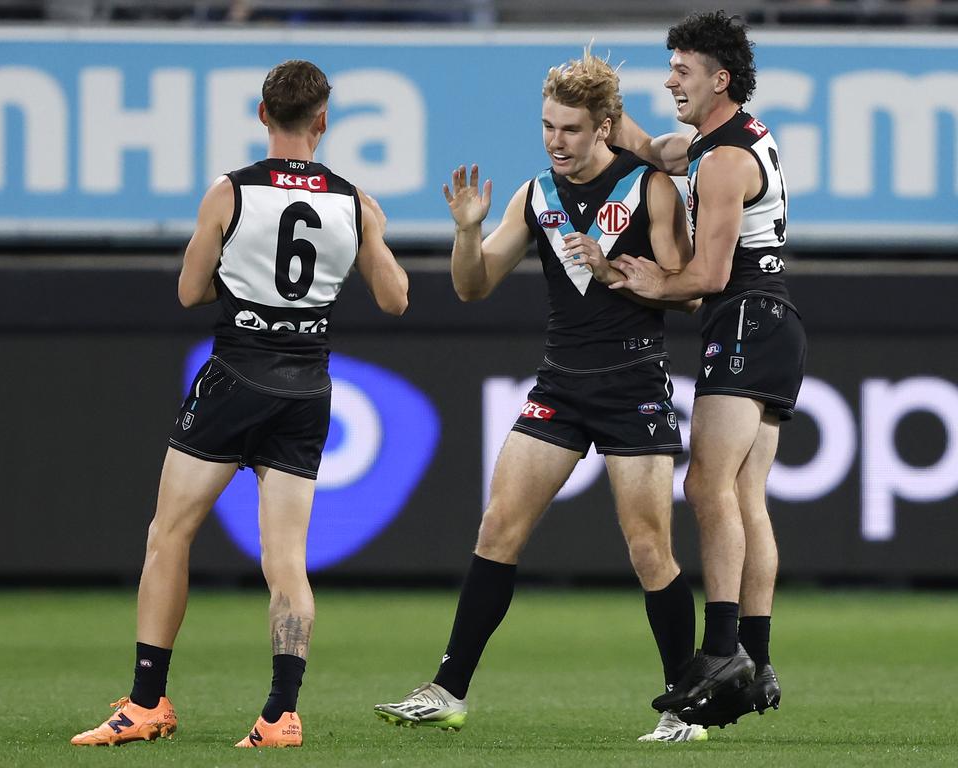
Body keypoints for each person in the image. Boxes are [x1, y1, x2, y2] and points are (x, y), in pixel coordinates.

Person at [70, 60, 409, 749]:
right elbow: (397, 298)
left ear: (262, 115)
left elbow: (190, 292)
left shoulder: (230, 192)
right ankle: (281, 714)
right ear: (323, 122)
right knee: (287, 560)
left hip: (236, 377)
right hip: (308, 387)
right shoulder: (355, 201)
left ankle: (145, 704)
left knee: (169, 535)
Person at [375, 48, 706, 743]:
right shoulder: (536, 195)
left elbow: (687, 289)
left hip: (633, 383)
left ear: (606, 127)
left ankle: (684, 707)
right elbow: (472, 286)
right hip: (561, 383)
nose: (556, 140)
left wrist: (615, 272)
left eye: (571, 130)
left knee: (649, 548)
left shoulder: (650, 190)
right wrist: (466, 232)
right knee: (498, 528)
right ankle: (447, 690)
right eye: (549, 126)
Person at [600, 11, 806, 727]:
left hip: (747, 317)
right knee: (747, 494)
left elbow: (710, 273)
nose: (670, 80)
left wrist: (657, 282)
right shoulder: (720, 142)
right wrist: (607, 113)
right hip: (773, 322)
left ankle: (720, 649)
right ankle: (758, 655)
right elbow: (653, 150)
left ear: (719, 79)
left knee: (707, 482)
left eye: (681, 70)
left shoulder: (721, 161)